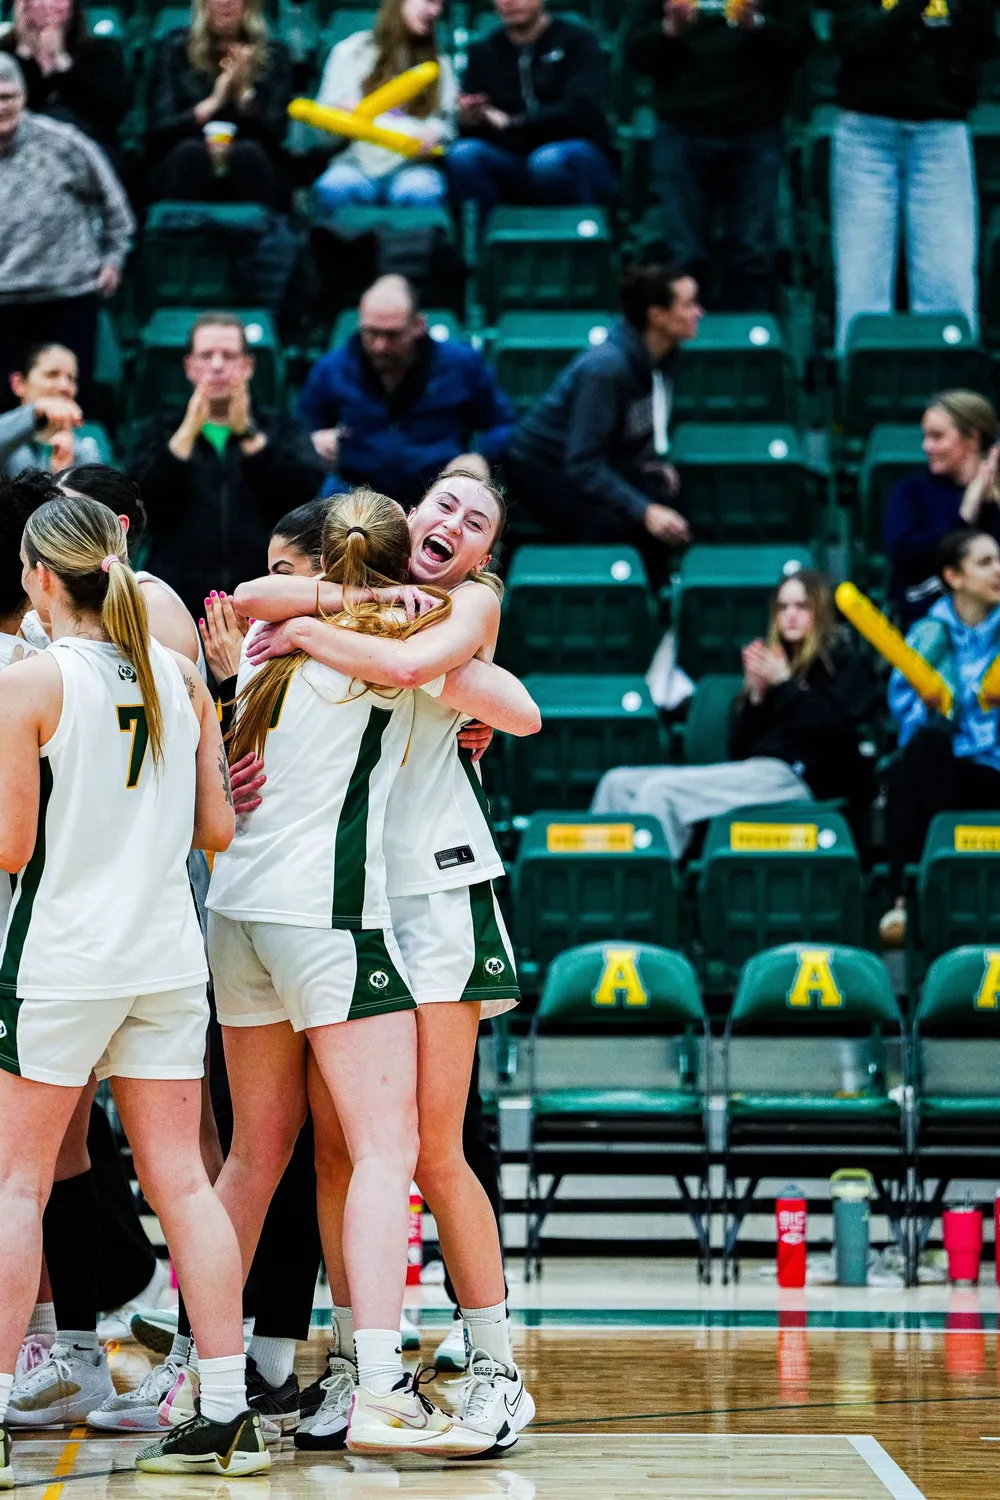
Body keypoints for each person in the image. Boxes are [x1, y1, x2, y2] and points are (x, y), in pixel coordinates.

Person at [204, 486, 537, 1456]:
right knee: (342, 1153)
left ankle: (491, 1370)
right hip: (341, 904)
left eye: (478, 523)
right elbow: (273, 605)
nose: (457, 527)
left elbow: (513, 708)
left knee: (430, 1149)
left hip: (432, 897)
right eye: (445, 506)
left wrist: (318, 631)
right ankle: (358, 1360)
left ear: (486, 555)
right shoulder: (360, 602)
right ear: (405, 524)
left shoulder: (461, 608)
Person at [0, 494, 268, 1480]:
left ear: (37, 576)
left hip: (62, 960)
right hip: (165, 958)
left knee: (15, 1182)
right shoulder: (180, 672)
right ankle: (227, 1412)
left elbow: (10, 847)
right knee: (185, 1184)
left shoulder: (28, 685)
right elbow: (218, 832)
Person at [593, 569, 878, 859]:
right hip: (758, 774)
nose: (790, 615)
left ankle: (651, 896)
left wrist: (785, 687)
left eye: (802, 607)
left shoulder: (841, 664)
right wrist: (755, 699)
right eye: (783, 607)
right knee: (617, 784)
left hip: (801, 779)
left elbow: (833, 732)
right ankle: (599, 889)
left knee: (660, 793)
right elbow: (740, 752)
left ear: (820, 611)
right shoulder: (775, 663)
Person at [125, 312, 323, 623]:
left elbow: (303, 495)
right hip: (177, 605)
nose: (217, 365)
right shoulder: (158, 431)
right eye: (206, 355)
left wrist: (248, 435)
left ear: (248, 365)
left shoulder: (283, 428)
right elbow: (141, 504)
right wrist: (188, 431)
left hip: (265, 602)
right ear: (189, 366)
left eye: (228, 355)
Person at [505, 264, 700, 580]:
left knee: (666, 496)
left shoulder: (666, 355)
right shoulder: (606, 369)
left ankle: (657, 604)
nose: (698, 313)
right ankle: (598, 603)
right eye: (689, 304)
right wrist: (644, 511)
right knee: (611, 521)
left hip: (589, 460)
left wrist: (646, 463)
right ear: (657, 316)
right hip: (540, 468)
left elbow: (629, 427)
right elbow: (582, 464)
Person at [623, 0, 809, 312]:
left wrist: (756, 24)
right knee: (684, 257)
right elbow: (635, 54)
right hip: (682, 130)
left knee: (755, 254)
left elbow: (800, 49)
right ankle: (687, 348)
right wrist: (670, 30)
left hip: (756, 129)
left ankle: (756, 344)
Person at [830, 0, 993, 352]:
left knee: (948, 286)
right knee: (861, 289)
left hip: (941, 131)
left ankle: (952, 398)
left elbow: (982, 40)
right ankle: (862, 394)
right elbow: (857, 41)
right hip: (866, 131)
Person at [297, 276, 515, 510]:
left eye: (392, 335)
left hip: (436, 491)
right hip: (355, 494)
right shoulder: (332, 368)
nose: (380, 346)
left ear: (418, 325)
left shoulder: (461, 364)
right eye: (371, 333)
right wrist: (313, 443)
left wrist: (480, 455)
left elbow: (503, 424)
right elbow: (297, 431)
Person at [882, 529, 1000, 947]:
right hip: (945, 771)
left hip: (996, 766)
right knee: (912, 761)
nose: (998, 570)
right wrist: (938, 705)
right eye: (985, 562)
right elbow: (906, 719)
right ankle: (905, 902)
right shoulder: (928, 634)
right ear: (954, 575)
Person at [0, 55, 134, 407]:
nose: (1, 107)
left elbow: (116, 208)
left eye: (8, 96)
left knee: (68, 412)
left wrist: (113, 258)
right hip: (2, 303)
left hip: (66, 296)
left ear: (24, 96)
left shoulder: (64, 144)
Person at [446, 0, 617, 214]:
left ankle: (575, 241)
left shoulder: (577, 41)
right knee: (463, 155)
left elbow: (581, 109)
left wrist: (515, 122)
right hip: (512, 159)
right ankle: (486, 242)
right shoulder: (483, 51)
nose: (509, 2)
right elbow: (475, 114)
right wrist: (469, 117)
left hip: (574, 153)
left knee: (548, 161)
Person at [313, 0, 456, 211]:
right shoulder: (351, 52)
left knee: (420, 189)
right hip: (355, 164)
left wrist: (434, 132)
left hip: (412, 167)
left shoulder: (439, 63)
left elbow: (447, 125)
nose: (435, 11)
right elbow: (322, 136)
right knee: (335, 186)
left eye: (440, 5)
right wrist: (339, 118)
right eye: (429, 1)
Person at [147, 0, 292, 208]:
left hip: (254, 161)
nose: (226, 2)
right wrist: (214, 101)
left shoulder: (274, 55)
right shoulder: (174, 48)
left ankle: (261, 235)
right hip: (183, 156)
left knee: (248, 154)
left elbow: (276, 134)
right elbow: (161, 129)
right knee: (191, 153)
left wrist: (244, 95)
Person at [885, 391, 1000, 626]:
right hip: (924, 629)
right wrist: (964, 515)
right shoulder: (910, 492)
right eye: (925, 436)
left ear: (972, 438)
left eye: (937, 436)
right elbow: (905, 557)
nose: (926, 446)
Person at [0, 0, 130, 153]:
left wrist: (60, 60)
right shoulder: (5, 54)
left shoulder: (101, 52)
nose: (45, 8)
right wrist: (26, 50)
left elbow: (112, 111)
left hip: (89, 150)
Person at [0, 344, 100, 479]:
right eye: (52, 374)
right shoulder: (8, 437)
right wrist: (36, 410)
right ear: (18, 383)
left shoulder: (87, 444)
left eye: (71, 378)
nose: (65, 386)